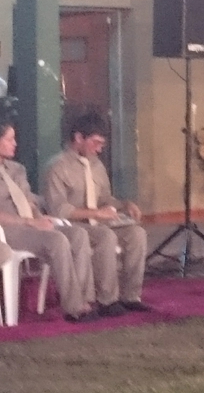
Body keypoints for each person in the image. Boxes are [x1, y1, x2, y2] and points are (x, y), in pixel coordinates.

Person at [44, 112, 150, 317]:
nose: (99, 149)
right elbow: (59, 209)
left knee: (136, 233)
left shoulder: (96, 165)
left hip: (98, 221)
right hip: (72, 224)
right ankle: (107, 299)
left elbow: (104, 198)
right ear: (78, 138)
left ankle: (130, 296)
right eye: (96, 143)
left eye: (102, 144)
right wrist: (96, 213)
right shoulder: (57, 167)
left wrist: (124, 205)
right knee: (105, 236)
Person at [0, 120, 98, 323]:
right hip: (9, 229)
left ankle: (84, 298)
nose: (15, 143)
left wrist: (39, 216)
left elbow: (27, 199)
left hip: (29, 224)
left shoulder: (17, 169)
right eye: (10, 139)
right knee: (56, 240)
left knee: (78, 234)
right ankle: (74, 307)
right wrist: (29, 222)